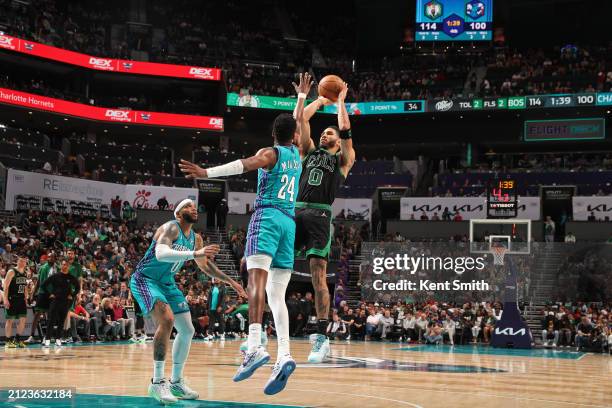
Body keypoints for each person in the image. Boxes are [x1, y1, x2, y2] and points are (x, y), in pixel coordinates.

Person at [179, 73, 309, 395]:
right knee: (277, 296)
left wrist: (206, 173)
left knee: (256, 283)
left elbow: (244, 164)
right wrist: (302, 100)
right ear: (293, 134)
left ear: (274, 134)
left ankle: (254, 345)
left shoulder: (273, 153)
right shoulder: (299, 156)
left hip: (267, 218)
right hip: (289, 224)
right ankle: (285, 355)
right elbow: (301, 129)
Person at [129, 199, 246, 404]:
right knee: (167, 320)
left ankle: (176, 382)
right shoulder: (170, 228)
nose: (193, 208)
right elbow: (161, 253)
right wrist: (194, 253)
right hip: (145, 280)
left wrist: (231, 282)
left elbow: (205, 266)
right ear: (178, 213)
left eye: (194, 206)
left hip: (167, 283)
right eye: (187, 206)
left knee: (188, 329)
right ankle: (157, 382)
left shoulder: (196, 239)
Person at [294, 77, 354, 363]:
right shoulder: (307, 152)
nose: (324, 135)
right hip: (295, 210)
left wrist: (340, 101)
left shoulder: (342, 160)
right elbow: (301, 121)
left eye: (329, 133)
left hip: (319, 214)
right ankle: (258, 333)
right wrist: (314, 98)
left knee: (319, 278)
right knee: (273, 266)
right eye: (324, 133)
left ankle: (321, 338)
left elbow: (345, 129)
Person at [41, 258, 80, 347]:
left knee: (61, 321)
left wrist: (72, 295)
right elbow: (43, 285)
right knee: (51, 320)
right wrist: (50, 294)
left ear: (68, 266)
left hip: (66, 302)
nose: (64, 266)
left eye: (66, 265)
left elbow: (77, 287)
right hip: (55, 301)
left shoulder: (71, 277)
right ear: (60, 265)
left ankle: (58, 339)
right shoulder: (55, 276)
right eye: (63, 264)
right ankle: (47, 339)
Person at [3, 254, 30, 348]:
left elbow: (25, 286)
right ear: (17, 261)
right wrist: (5, 299)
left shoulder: (25, 272)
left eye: (24, 261)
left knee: (23, 319)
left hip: (21, 299)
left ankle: (17, 339)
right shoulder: (11, 271)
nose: (22, 263)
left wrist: (26, 298)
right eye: (20, 261)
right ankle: (8, 341)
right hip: (12, 298)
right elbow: (5, 286)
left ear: (26, 262)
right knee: (10, 320)